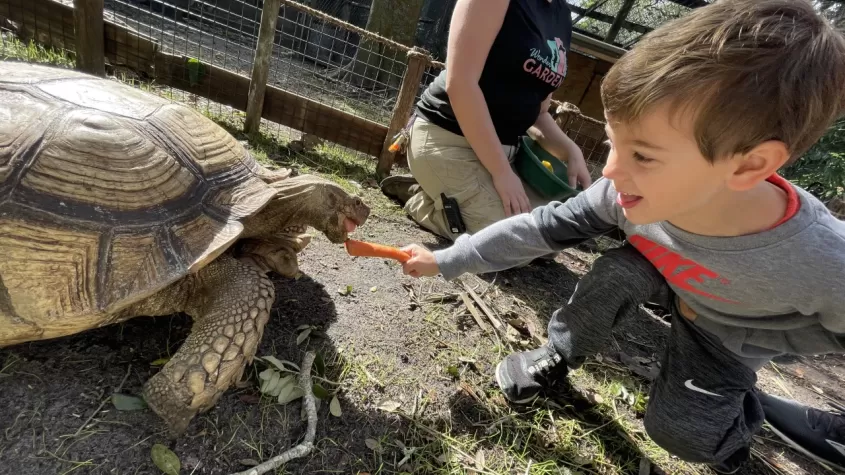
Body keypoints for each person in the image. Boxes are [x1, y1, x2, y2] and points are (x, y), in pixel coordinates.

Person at [397, 0, 845, 473]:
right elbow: (539, 228)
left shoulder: (821, 257)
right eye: (613, 144)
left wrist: (757, 334)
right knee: (616, 273)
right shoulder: (621, 192)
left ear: (749, 165)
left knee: (682, 434)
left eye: (644, 156)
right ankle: (557, 354)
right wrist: (449, 259)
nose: (608, 171)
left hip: (725, 327)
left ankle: (736, 434)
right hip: (667, 268)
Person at [380, 0, 593, 241]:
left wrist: (570, 150)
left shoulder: (562, 15)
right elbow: (460, 84)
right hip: (448, 139)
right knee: (510, 240)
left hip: (504, 157)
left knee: (550, 233)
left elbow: (540, 113)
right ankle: (420, 199)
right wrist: (501, 173)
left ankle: (452, 201)